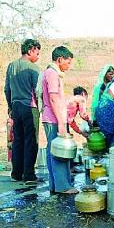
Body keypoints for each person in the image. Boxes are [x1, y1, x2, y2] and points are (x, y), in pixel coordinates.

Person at [40, 46, 78, 194]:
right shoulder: (52, 74)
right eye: (68, 62)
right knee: (59, 152)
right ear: (60, 59)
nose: (69, 66)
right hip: (53, 118)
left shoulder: (51, 73)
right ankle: (63, 186)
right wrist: (61, 123)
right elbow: (53, 98)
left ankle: (54, 186)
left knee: (53, 150)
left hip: (51, 117)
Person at [4, 39, 42, 185]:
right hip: (29, 107)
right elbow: (38, 91)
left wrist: (10, 107)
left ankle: (16, 173)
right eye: (37, 53)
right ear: (31, 50)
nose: (38, 56)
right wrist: (41, 108)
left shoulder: (11, 66)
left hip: (16, 106)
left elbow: (7, 89)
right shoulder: (33, 68)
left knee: (18, 141)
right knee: (31, 141)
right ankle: (29, 175)